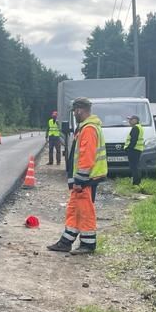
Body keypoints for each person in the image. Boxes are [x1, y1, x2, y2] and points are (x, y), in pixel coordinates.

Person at [48, 97, 106, 255]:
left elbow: (86, 157)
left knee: (85, 211)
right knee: (74, 210)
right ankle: (66, 242)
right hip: (82, 180)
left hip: (86, 180)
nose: (74, 113)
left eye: (74, 111)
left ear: (80, 110)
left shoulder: (89, 129)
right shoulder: (85, 127)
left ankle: (88, 244)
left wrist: (80, 179)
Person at [124, 114, 145, 186]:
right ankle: (137, 182)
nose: (129, 121)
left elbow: (133, 140)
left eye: (131, 120)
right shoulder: (139, 127)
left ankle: (136, 183)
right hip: (137, 149)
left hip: (134, 150)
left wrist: (128, 148)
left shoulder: (135, 128)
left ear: (135, 120)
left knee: (134, 167)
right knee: (136, 166)